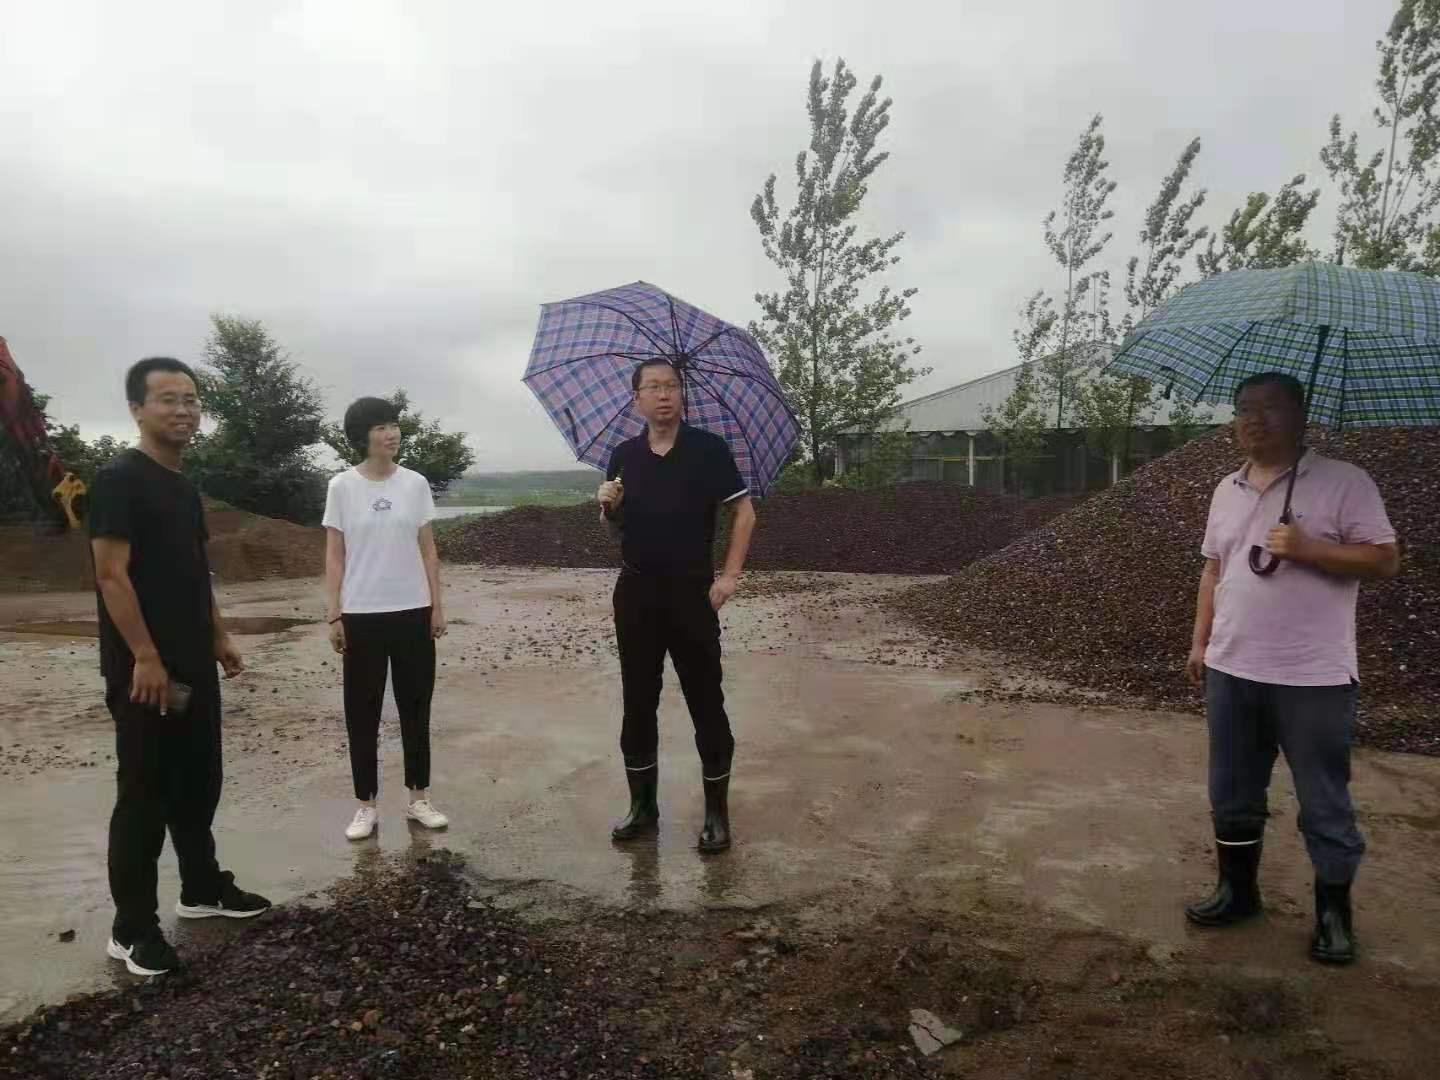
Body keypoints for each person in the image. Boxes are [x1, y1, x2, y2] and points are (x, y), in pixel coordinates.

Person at [1184, 372, 1399, 965]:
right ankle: (1238, 891)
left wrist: (1311, 549)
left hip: (1313, 677)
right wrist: (1201, 642)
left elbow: (1385, 560)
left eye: (1271, 408)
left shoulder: (1344, 481)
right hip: (1232, 667)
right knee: (1232, 788)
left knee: (1323, 798)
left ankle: (1333, 914)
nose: (1255, 419)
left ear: (1302, 415)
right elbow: (1214, 569)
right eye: (1244, 408)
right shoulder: (1226, 488)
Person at [90, 358, 271, 977]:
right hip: (145, 671)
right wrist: (145, 656)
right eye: (168, 399)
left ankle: (201, 887)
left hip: (194, 660)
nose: (184, 410)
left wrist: (218, 635)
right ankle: (131, 929)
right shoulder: (118, 479)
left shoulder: (183, 487)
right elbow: (111, 576)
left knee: (198, 781)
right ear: (136, 409)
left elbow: (195, 571)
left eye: (191, 399)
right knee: (143, 795)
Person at [597, 359, 757, 853]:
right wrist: (607, 507)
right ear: (637, 400)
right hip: (636, 594)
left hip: (691, 593)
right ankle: (643, 808)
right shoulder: (624, 456)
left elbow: (744, 513)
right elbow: (614, 530)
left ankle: (716, 814)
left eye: (671, 386)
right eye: (653, 387)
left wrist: (729, 577)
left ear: (681, 395)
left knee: (705, 700)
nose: (663, 394)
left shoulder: (708, 449)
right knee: (637, 701)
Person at [323, 397, 449, 840]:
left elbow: (428, 549)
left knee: (416, 708)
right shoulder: (342, 486)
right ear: (362, 436)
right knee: (362, 713)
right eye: (380, 427)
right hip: (361, 613)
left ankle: (419, 799)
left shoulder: (415, 484)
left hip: (413, 611)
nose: (391, 433)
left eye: (393, 424)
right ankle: (366, 806)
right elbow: (334, 555)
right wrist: (334, 613)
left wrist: (436, 605)